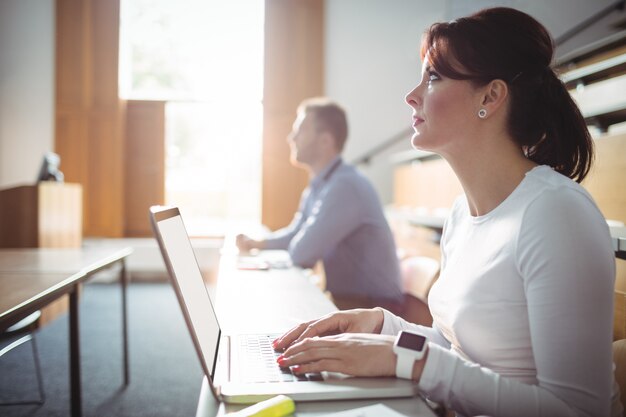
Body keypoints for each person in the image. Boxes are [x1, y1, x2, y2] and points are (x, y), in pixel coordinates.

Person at [272, 7, 620, 417]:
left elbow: (577, 410)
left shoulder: (557, 215)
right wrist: (382, 325)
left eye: (433, 77)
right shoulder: (461, 214)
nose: (412, 95)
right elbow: (456, 348)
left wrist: (409, 362)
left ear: (490, 97)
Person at [236, 98, 405, 311]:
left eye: (301, 130)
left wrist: (270, 244)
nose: (291, 138)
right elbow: (296, 234)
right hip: (353, 304)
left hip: (374, 311)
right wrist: (258, 244)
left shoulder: (344, 187)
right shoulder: (321, 185)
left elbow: (302, 253)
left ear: (325, 140)